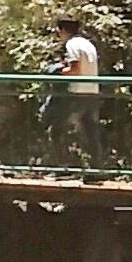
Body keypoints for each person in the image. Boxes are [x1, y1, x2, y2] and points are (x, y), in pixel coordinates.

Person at [47, 16, 105, 174]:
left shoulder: (72, 44)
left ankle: (63, 169)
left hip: (77, 93)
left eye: (59, 32)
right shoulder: (88, 44)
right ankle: (95, 170)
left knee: (57, 130)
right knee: (90, 132)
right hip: (92, 92)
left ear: (64, 31)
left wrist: (57, 72)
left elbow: (75, 69)